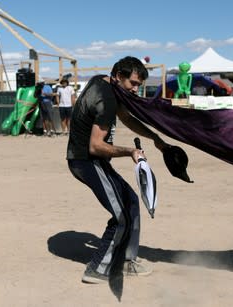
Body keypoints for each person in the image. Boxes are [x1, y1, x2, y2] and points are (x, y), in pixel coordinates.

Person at [67, 56, 168, 284]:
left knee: (131, 201)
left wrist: (155, 138)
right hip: (86, 160)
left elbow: (126, 118)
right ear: (119, 76)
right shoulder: (106, 99)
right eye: (132, 83)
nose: (135, 90)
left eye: (138, 85)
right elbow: (96, 145)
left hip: (94, 159)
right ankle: (97, 269)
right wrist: (131, 152)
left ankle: (125, 260)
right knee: (121, 213)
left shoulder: (105, 83)